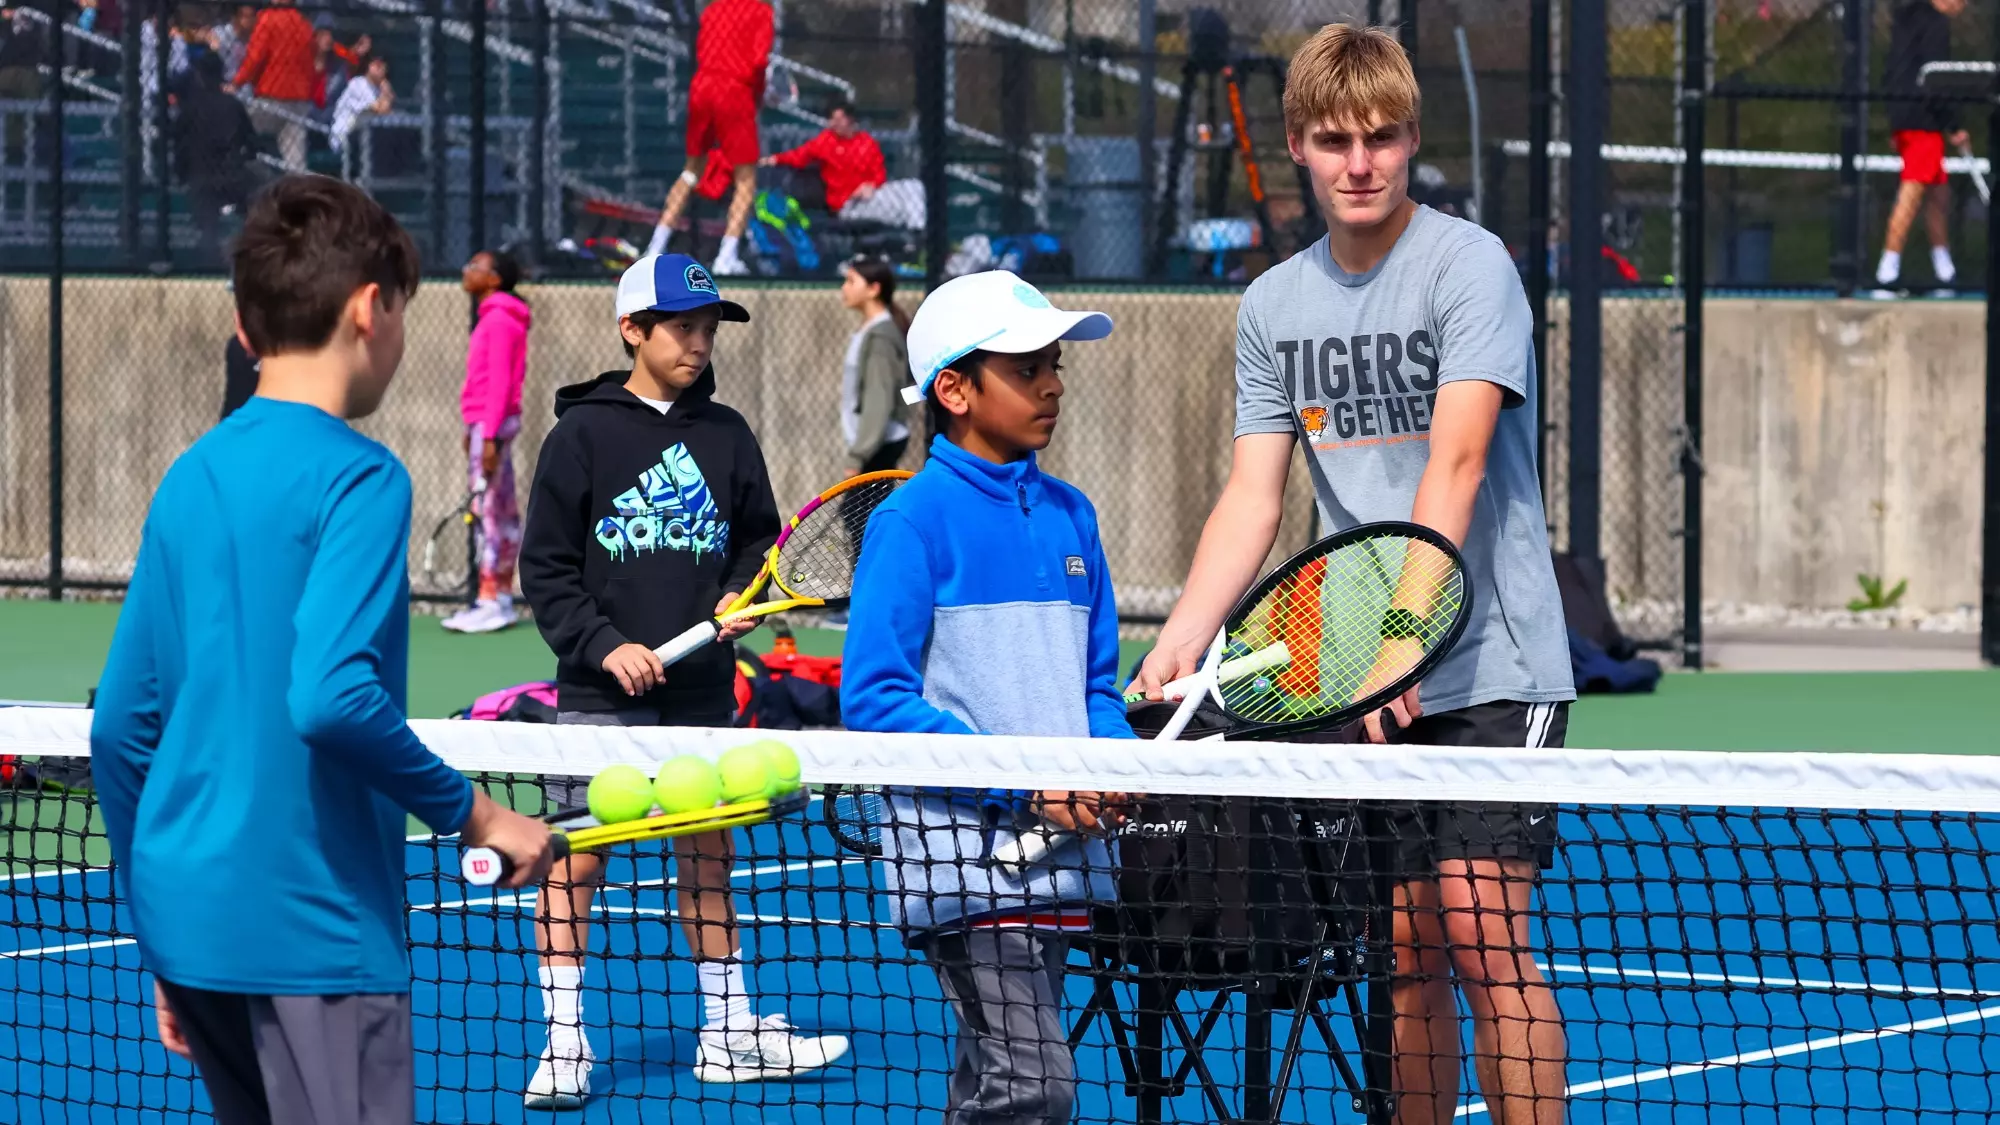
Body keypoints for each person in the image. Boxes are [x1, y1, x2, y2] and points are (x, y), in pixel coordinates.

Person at [1129, 24, 1574, 1124]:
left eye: (1379, 137)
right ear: (1295, 146)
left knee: (1480, 935)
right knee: (1406, 953)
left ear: (1411, 139)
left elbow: (1457, 462)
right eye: (1333, 140)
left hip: (1489, 665)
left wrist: (1398, 645)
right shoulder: (1273, 305)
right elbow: (1253, 495)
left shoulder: (1468, 268)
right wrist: (1188, 629)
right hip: (1361, 679)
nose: (1359, 161)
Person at [88, 174, 554, 1125]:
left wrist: (161, 934)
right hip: (317, 934)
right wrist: (474, 815)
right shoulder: (361, 478)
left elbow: (119, 733)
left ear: (244, 322)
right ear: (368, 308)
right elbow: (332, 696)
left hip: (190, 929)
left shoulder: (191, 473)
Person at [515, 252, 850, 1107]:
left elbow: (757, 541)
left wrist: (745, 594)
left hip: (702, 694)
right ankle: (563, 1044)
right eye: (682, 327)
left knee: (708, 854)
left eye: (709, 328)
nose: (700, 343)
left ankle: (727, 1032)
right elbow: (547, 569)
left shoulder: (728, 433)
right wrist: (602, 643)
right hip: (598, 698)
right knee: (575, 861)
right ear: (633, 330)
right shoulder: (580, 435)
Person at [839, 269, 1133, 1125]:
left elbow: (1097, 685)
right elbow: (877, 698)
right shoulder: (911, 520)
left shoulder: (1073, 515)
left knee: (994, 1083)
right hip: (963, 867)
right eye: (1027, 367)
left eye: (1055, 365)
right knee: (1035, 1087)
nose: (1052, 383)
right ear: (954, 390)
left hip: (1060, 863)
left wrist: (1110, 763)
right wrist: (1030, 788)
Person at [643, 0, 772, 274]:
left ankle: (655, 247)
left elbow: (702, 49)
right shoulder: (760, 11)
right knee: (745, 178)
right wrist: (756, 96)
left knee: (691, 170)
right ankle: (727, 255)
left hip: (703, 87)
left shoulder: (713, 9)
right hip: (734, 90)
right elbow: (759, 61)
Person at [442, 249, 532, 635]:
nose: (467, 271)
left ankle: (490, 599)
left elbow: (498, 384)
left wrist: (488, 435)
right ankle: (501, 599)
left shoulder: (497, 320)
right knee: (502, 512)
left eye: (475, 266)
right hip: (487, 425)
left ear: (494, 279)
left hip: (491, 426)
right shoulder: (501, 319)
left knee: (488, 511)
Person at [1876, 0, 1969, 293]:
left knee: (1938, 196)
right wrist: (1953, 126)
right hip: (1922, 121)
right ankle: (1886, 274)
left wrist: (1895, 122)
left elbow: (1893, 74)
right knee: (1913, 192)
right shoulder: (1935, 26)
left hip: (1907, 118)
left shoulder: (1905, 22)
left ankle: (1945, 273)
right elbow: (1935, 79)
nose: (1963, 5)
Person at [762, 101, 927, 230]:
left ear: (850, 120)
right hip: (847, 205)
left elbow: (879, 174)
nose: (834, 123)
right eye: (832, 119)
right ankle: (919, 237)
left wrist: (870, 186)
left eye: (839, 119)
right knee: (898, 207)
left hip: (871, 196)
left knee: (914, 187)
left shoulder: (867, 143)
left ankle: (919, 234)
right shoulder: (826, 141)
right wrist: (773, 159)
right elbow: (799, 156)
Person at [175, 50, 264, 269]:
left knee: (208, 228)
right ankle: (249, 258)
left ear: (199, 76)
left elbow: (177, 144)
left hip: (201, 178)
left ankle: (208, 267)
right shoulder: (232, 105)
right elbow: (252, 144)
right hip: (233, 177)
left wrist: (181, 174)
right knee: (258, 196)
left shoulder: (190, 108)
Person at [837, 255, 911, 476]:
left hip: (877, 448)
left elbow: (879, 398)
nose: (844, 288)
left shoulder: (881, 338)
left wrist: (858, 456)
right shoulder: (870, 330)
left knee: (854, 512)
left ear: (873, 289)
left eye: (851, 281)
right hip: (874, 447)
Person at [230, 0, 316, 172]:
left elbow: (255, 57)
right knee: (295, 162)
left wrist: (236, 83)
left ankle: (238, 167)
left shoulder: (268, 18)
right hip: (298, 100)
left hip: (271, 98)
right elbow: (310, 64)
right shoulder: (303, 23)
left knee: (236, 124)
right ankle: (298, 194)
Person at [329, 53, 393, 156]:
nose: (379, 69)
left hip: (362, 138)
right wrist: (386, 92)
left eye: (382, 66)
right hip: (343, 136)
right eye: (376, 65)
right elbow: (379, 109)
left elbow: (387, 111)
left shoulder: (377, 90)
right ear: (368, 66)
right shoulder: (357, 83)